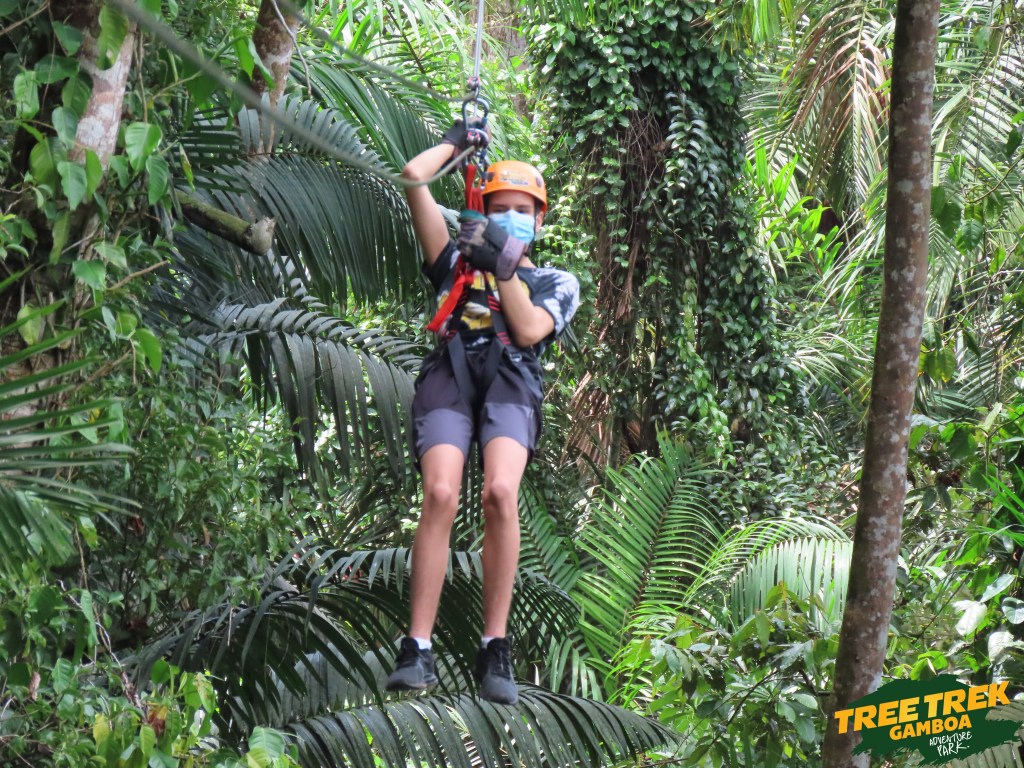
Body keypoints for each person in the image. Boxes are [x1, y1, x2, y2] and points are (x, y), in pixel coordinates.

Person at [385, 121, 580, 705]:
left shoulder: (555, 280)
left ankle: (495, 644)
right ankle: (417, 646)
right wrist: (458, 142)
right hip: (450, 371)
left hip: (510, 381)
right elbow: (414, 178)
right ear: (482, 210)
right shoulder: (453, 263)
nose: (513, 216)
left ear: (539, 220)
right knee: (441, 493)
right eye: (501, 209)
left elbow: (526, 329)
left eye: (524, 210)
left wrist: (503, 263)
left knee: (500, 493)